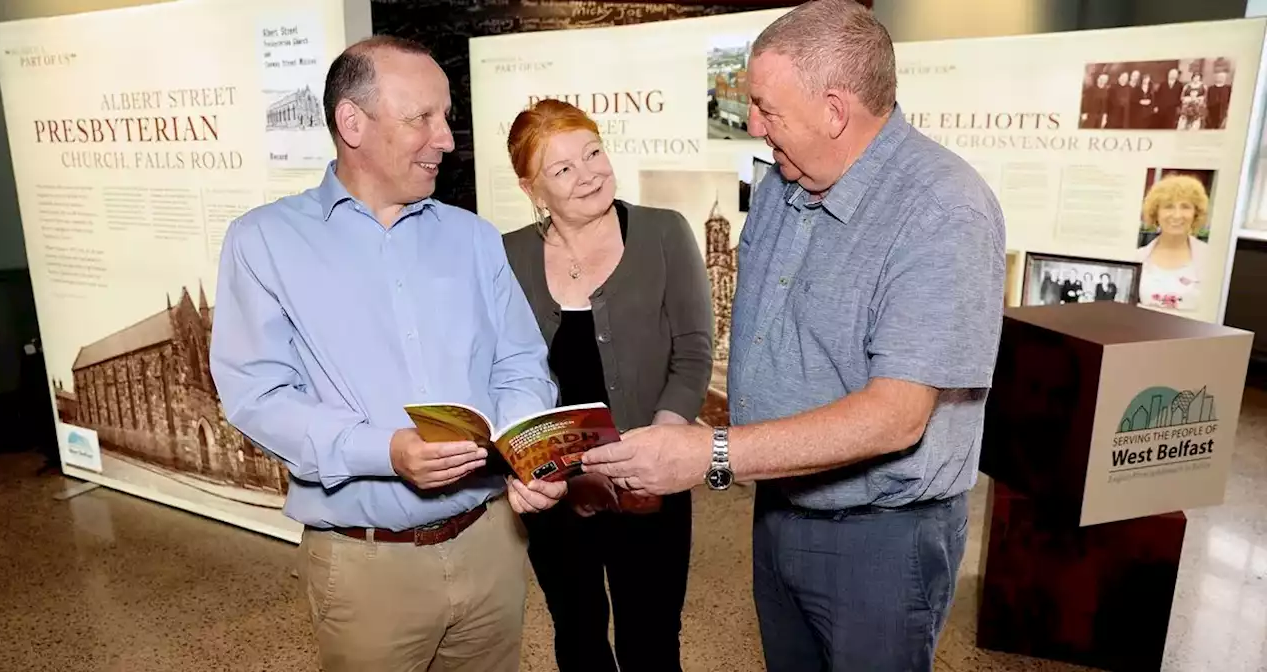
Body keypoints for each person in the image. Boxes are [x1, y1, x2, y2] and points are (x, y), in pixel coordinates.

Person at [581, 1, 1006, 670]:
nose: (751, 124)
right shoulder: (783, 182)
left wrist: (712, 455)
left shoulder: (941, 209)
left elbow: (896, 418)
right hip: (778, 507)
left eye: (765, 107)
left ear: (835, 111)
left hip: (882, 542)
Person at [209, 36, 566, 672]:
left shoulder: (474, 239)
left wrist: (525, 452)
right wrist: (386, 451)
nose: (446, 139)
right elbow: (258, 396)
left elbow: (518, 364)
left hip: (492, 544)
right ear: (353, 123)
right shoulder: (263, 243)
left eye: (446, 116)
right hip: (366, 569)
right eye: (420, 118)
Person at [500, 98, 714, 672]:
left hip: (649, 483)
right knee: (577, 635)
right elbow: (500, 367)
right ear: (532, 188)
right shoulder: (508, 255)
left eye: (593, 152)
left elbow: (693, 352)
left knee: (650, 642)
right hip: (555, 489)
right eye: (563, 168)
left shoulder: (664, 232)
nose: (590, 172)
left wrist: (661, 448)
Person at [1136, 173, 1210, 311]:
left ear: (1196, 213)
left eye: (1185, 207)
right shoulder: (1137, 257)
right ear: (1155, 213)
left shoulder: (1212, 259)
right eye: (1168, 206)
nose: (1177, 215)